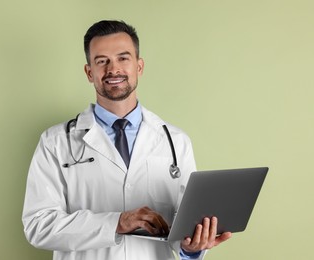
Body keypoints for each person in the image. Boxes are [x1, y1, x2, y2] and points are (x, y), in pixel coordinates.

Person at [22, 20, 232, 260]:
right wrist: (117, 222)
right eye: (102, 61)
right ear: (90, 72)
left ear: (139, 66)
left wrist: (191, 249)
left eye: (123, 58)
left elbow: (182, 228)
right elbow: (38, 226)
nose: (113, 69)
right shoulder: (56, 142)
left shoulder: (175, 141)